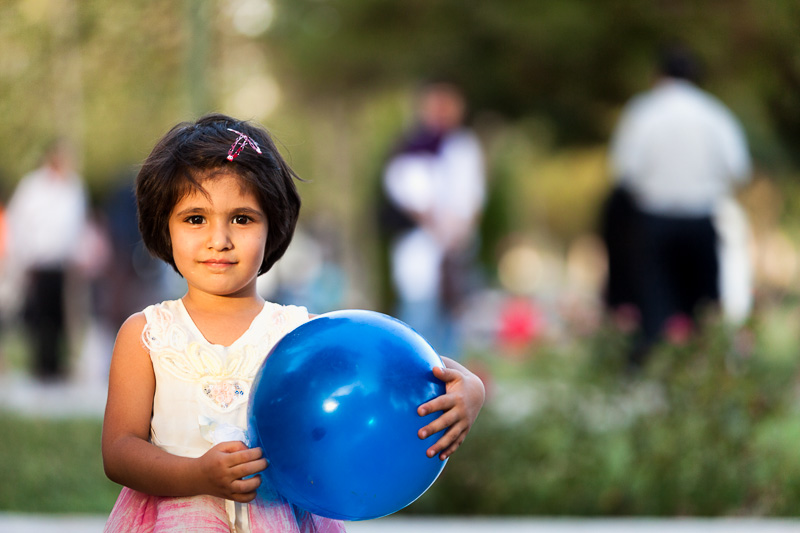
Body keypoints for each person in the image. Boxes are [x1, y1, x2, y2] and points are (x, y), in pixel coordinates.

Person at [101, 114, 485, 532]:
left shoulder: (300, 335)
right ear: (164, 225)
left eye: (242, 218)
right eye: (195, 218)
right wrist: (197, 475)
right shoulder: (146, 334)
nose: (219, 239)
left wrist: (470, 389)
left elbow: (393, 370)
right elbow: (120, 452)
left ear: (273, 225)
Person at [607, 45, 751, 364]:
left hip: (654, 219)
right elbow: (738, 167)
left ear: (658, 75)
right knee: (704, 308)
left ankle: (660, 372)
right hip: (701, 218)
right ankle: (704, 371)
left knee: (655, 304)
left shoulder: (644, 111)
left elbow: (624, 170)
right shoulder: (713, 113)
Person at [381, 81, 486, 357]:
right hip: (420, 255)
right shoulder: (411, 150)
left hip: (456, 250)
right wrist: (438, 226)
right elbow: (405, 195)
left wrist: (457, 233)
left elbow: (472, 197)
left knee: (452, 326)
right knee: (418, 323)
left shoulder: (464, 146)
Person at [5, 140, 88, 380]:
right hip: (37, 262)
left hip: (63, 263)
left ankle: (56, 364)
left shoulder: (73, 187)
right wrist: (22, 254)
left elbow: (76, 226)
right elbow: (19, 221)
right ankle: (40, 364)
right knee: (39, 316)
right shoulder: (33, 186)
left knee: (60, 316)